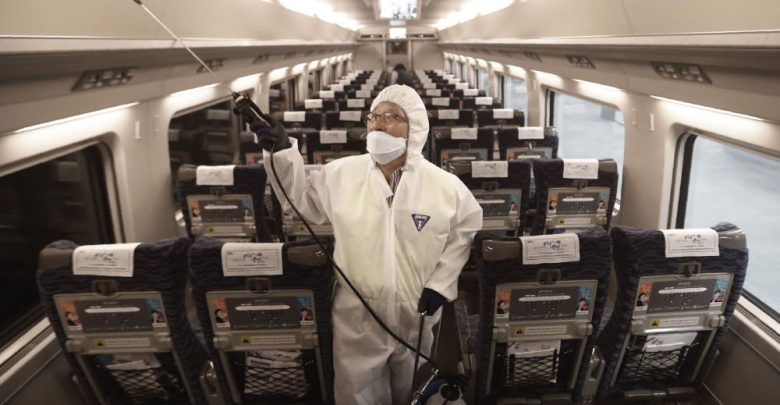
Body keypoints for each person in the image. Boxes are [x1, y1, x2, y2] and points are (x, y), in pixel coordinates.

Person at [259, 85, 482, 405]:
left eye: (391, 117)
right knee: (357, 394)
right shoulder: (341, 175)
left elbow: (466, 227)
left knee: (411, 391)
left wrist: (442, 282)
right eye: (374, 116)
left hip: (416, 313)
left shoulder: (445, 186)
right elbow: (297, 201)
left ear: (415, 128)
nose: (378, 124)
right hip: (357, 315)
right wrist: (281, 153)